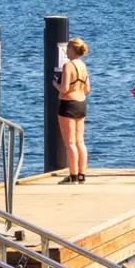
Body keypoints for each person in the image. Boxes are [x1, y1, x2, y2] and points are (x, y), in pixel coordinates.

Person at [56, 38, 90, 183]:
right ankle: (82, 174)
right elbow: (87, 89)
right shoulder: (83, 66)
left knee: (70, 143)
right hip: (81, 103)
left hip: (68, 104)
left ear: (71, 49)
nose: (66, 52)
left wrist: (54, 84)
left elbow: (64, 89)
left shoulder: (68, 66)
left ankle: (73, 175)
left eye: (67, 49)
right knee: (80, 141)